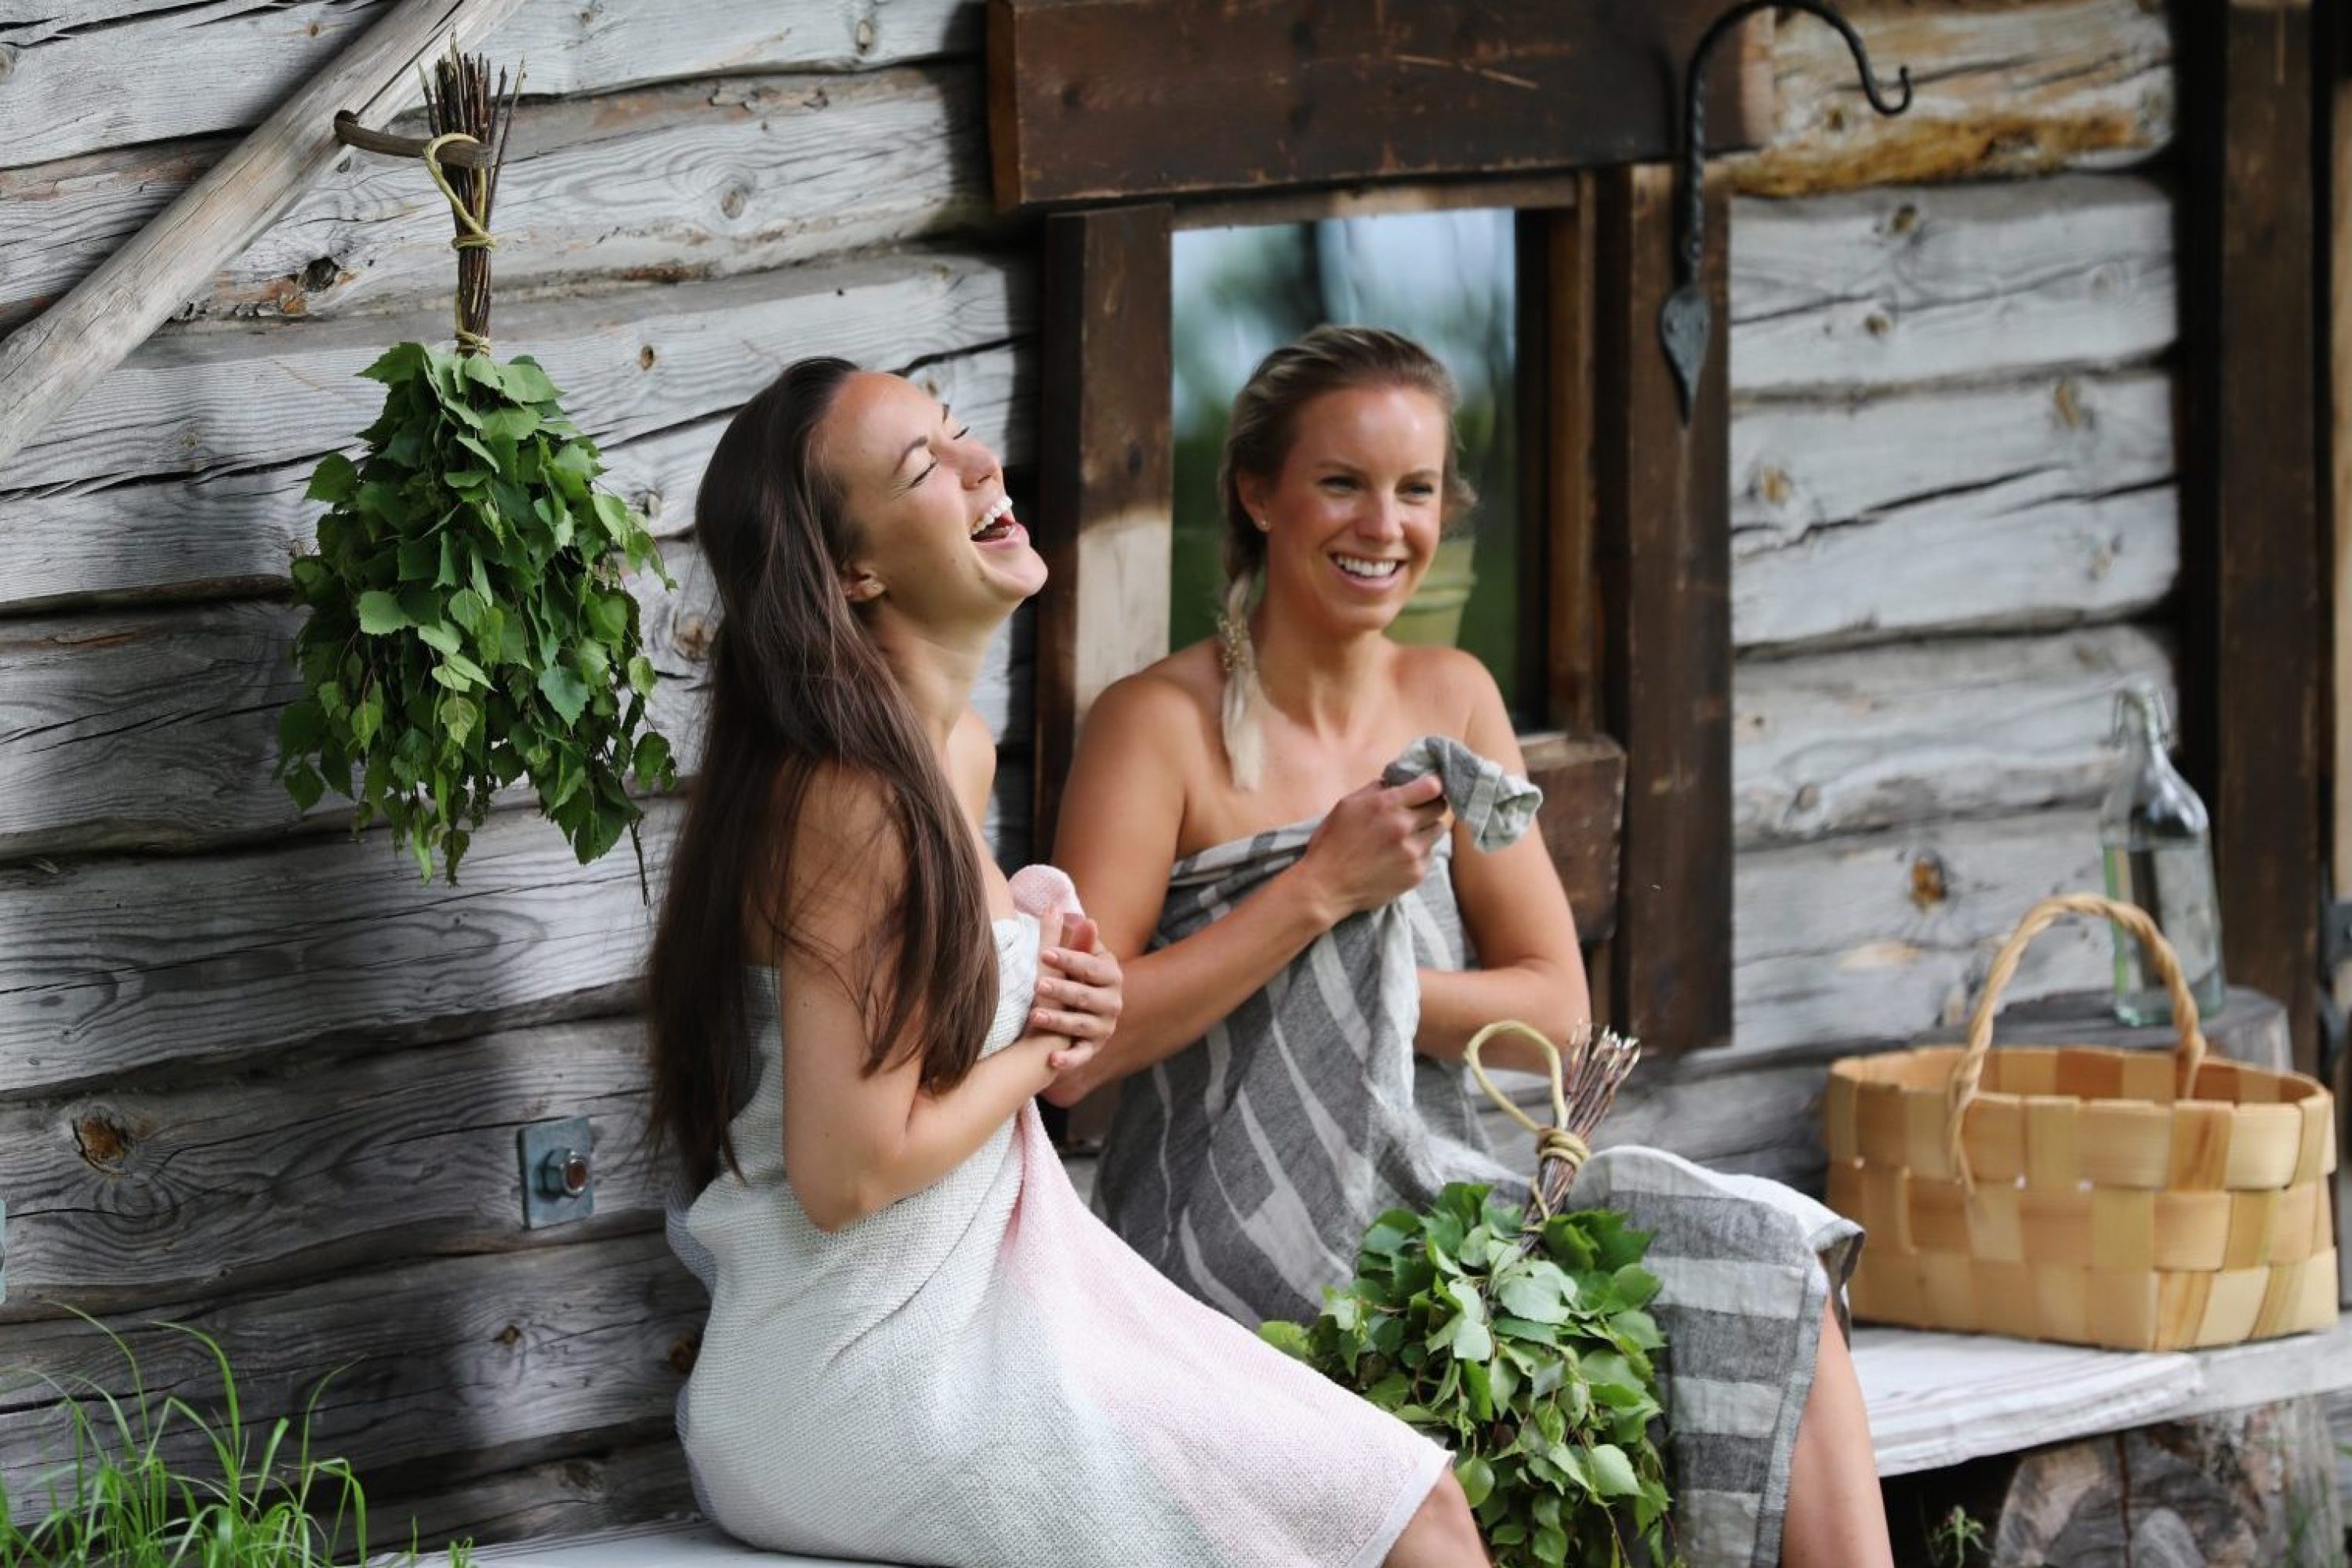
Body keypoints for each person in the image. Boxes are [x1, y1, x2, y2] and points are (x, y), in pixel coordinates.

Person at [1051, 326, 1893, 1568]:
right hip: (1219, 1228)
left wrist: (1375, 978)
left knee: (1766, 1247)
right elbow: (1079, 1058)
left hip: (1446, 1209)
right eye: (1341, 482)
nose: (1383, 525)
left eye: (1417, 489)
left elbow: (1557, 1007)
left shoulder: (1453, 699)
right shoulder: (1156, 728)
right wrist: (1315, 897)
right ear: (1257, 492)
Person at [644, 357, 1490, 1568]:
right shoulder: (849, 803)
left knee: (1410, 1496)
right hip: (862, 1369)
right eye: (926, 468)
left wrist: (1051, 974)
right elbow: (849, 1170)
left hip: (991, 1314)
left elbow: (946, 1022)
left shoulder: (952, 756)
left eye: (958, 432)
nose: (983, 465)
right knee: (1396, 1515)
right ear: (854, 571)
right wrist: (1043, 1040)